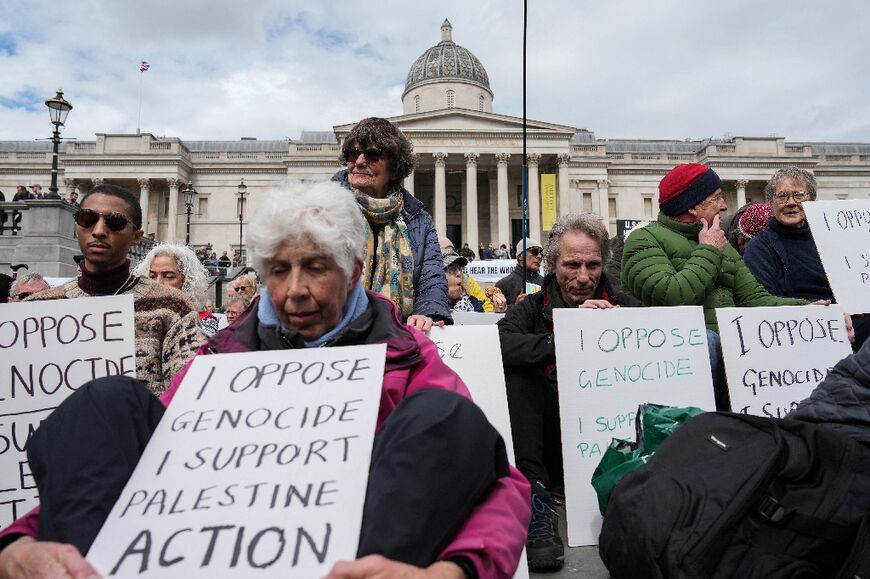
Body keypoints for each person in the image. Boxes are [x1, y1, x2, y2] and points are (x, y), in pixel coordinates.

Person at [0, 181, 530, 579]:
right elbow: (136, 477)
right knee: (108, 401)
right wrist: (18, 543)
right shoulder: (221, 357)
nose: (294, 291)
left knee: (444, 416)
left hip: (359, 548)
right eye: (278, 270)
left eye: (315, 267)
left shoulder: (409, 357)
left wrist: (456, 571)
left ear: (355, 268)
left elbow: (500, 482)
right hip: (211, 549)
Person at [498, 213, 640, 571]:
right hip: (545, 442)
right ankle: (535, 502)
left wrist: (617, 332)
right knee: (521, 374)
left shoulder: (627, 308)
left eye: (592, 265)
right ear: (550, 264)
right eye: (572, 265)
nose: (583, 277)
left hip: (606, 443)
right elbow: (496, 344)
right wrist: (565, 335)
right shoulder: (531, 310)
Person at [21, 184, 203, 395]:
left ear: (136, 236)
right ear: (76, 225)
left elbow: (189, 388)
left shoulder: (173, 306)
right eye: (87, 219)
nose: (98, 231)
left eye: (115, 222)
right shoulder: (36, 309)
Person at [332, 117, 450, 331]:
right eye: (352, 153)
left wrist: (427, 312)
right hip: (333, 332)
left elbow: (431, 276)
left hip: (395, 334)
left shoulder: (419, 220)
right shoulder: (321, 207)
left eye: (372, 155)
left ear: (395, 169)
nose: (359, 161)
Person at [744, 167, 870, 350]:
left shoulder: (836, 238)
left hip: (854, 320)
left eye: (799, 195)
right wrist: (824, 316)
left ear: (812, 199)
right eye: (782, 196)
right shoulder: (760, 248)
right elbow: (765, 305)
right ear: (770, 202)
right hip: (802, 330)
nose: (791, 203)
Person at [132, 243, 219, 338]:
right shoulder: (133, 318)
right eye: (152, 276)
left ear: (187, 281)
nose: (158, 283)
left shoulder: (204, 323)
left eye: (168, 276)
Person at [440, 236, 507, 313]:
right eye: (451, 269)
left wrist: (497, 313)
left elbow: (486, 316)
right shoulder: (425, 309)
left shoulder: (473, 303)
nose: (459, 273)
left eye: (459, 268)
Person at [495, 237, 545, 306]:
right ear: (521, 256)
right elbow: (494, 314)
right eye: (535, 252)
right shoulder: (503, 285)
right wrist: (516, 307)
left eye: (542, 253)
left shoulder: (546, 283)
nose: (539, 256)